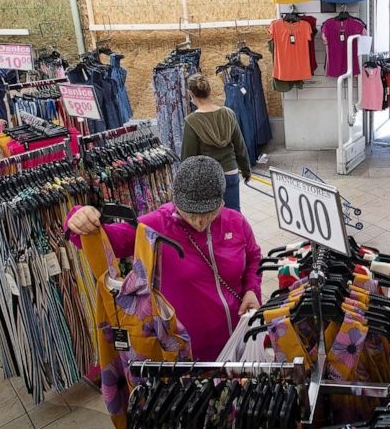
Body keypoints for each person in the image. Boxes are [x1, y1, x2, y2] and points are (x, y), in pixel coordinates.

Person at [66, 155, 263, 361]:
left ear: (221, 202)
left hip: (240, 342)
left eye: (209, 212)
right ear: (176, 202)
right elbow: (106, 240)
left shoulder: (236, 222)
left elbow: (254, 258)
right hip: (186, 353)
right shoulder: (156, 226)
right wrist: (78, 217)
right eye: (190, 213)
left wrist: (252, 289)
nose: (200, 220)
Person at [182, 73, 251, 211]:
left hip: (209, 177)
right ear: (210, 91)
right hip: (230, 172)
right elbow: (240, 146)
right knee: (233, 216)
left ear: (190, 94)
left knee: (212, 219)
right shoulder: (228, 113)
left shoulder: (192, 121)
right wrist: (246, 171)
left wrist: (186, 185)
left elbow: (188, 158)